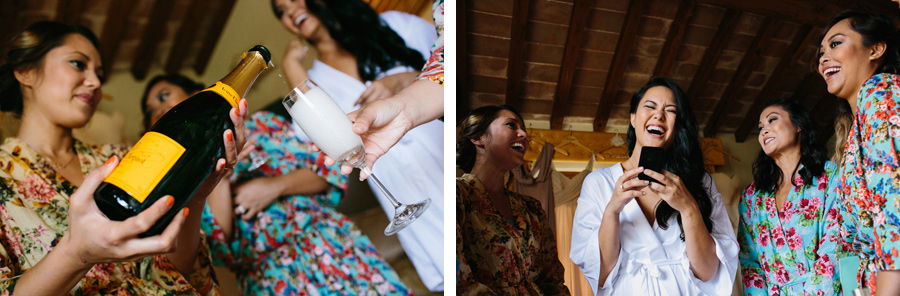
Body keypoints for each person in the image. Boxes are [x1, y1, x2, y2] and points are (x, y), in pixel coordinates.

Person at [0, 21, 249, 295]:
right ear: (26, 72)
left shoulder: (121, 158)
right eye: (77, 64)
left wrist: (198, 192)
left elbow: (179, 272)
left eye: (99, 73)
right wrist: (74, 255)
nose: (95, 83)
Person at [141, 74, 411, 295]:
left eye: (164, 96)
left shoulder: (262, 124)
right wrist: (219, 177)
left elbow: (329, 169)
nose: (158, 110)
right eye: (150, 112)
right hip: (275, 282)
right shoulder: (177, 184)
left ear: (200, 93)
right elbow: (217, 251)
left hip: (334, 245)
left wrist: (275, 187)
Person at [271, 0, 445, 290]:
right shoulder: (313, 79)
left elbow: (451, 67)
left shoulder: (392, 25)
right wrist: (290, 64)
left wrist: (401, 81)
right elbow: (308, 134)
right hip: (399, 183)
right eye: (281, 12)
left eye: (294, 0)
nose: (290, 11)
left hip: (444, 153)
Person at [570, 77, 738, 295]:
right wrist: (612, 209)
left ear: (677, 126)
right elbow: (600, 274)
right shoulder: (598, 182)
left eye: (670, 110)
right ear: (633, 118)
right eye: (650, 106)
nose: (659, 115)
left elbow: (708, 273)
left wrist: (688, 208)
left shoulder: (699, 181)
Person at [816, 10, 900, 295]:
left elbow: (895, 203)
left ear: (875, 49)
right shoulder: (855, 129)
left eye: (836, 44)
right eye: (821, 52)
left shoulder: (881, 92)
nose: (823, 58)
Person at [456, 105, 569, 295]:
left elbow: (553, 280)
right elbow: (460, 281)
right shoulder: (459, 194)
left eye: (523, 128)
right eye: (511, 125)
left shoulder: (531, 208)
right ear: (478, 138)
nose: (523, 134)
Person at [737, 98, 842, 294]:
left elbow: (835, 245)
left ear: (799, 125)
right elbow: (749, 261)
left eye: (772, 120)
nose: (764, 130)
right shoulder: (752, 196)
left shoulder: (830, 177)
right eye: (760, 127)